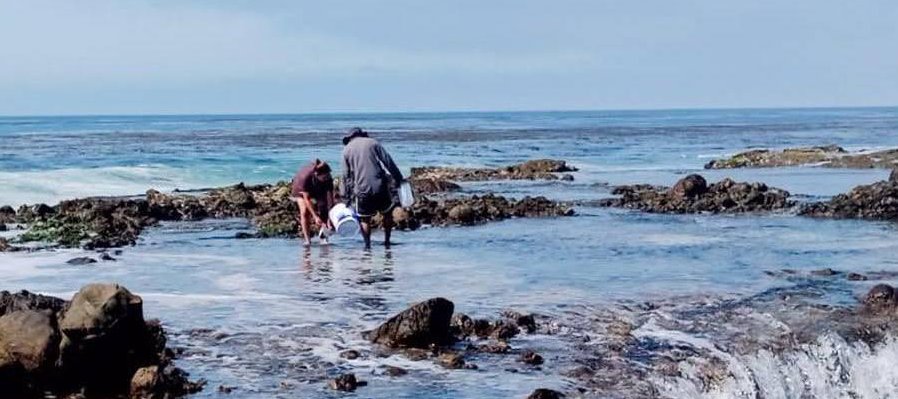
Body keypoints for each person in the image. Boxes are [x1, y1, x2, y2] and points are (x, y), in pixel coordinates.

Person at [340, 127, 404, 248]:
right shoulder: (373, 143)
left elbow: (345, 176)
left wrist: (345, 196)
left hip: (362, 189)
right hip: (379, 186)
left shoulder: (346, 150)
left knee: (365, 219)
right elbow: (388, 162)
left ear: (350, 138)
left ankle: (367, 246)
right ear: (363, 135)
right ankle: (387, 241)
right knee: (387, 214)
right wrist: (398, 178)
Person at [291, 159, 335, 246]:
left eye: (328, 176)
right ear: (317, 175)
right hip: (300, 189)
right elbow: (306, 199)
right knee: (305, 212)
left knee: (324, 208)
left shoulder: (328, 179)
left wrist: (330, 218)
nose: (327, 178)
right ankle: (307, 240)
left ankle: (324, 237)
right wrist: (315, 217)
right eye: (325, 177)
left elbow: (330, 199)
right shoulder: (305, 177)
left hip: (318, 188)